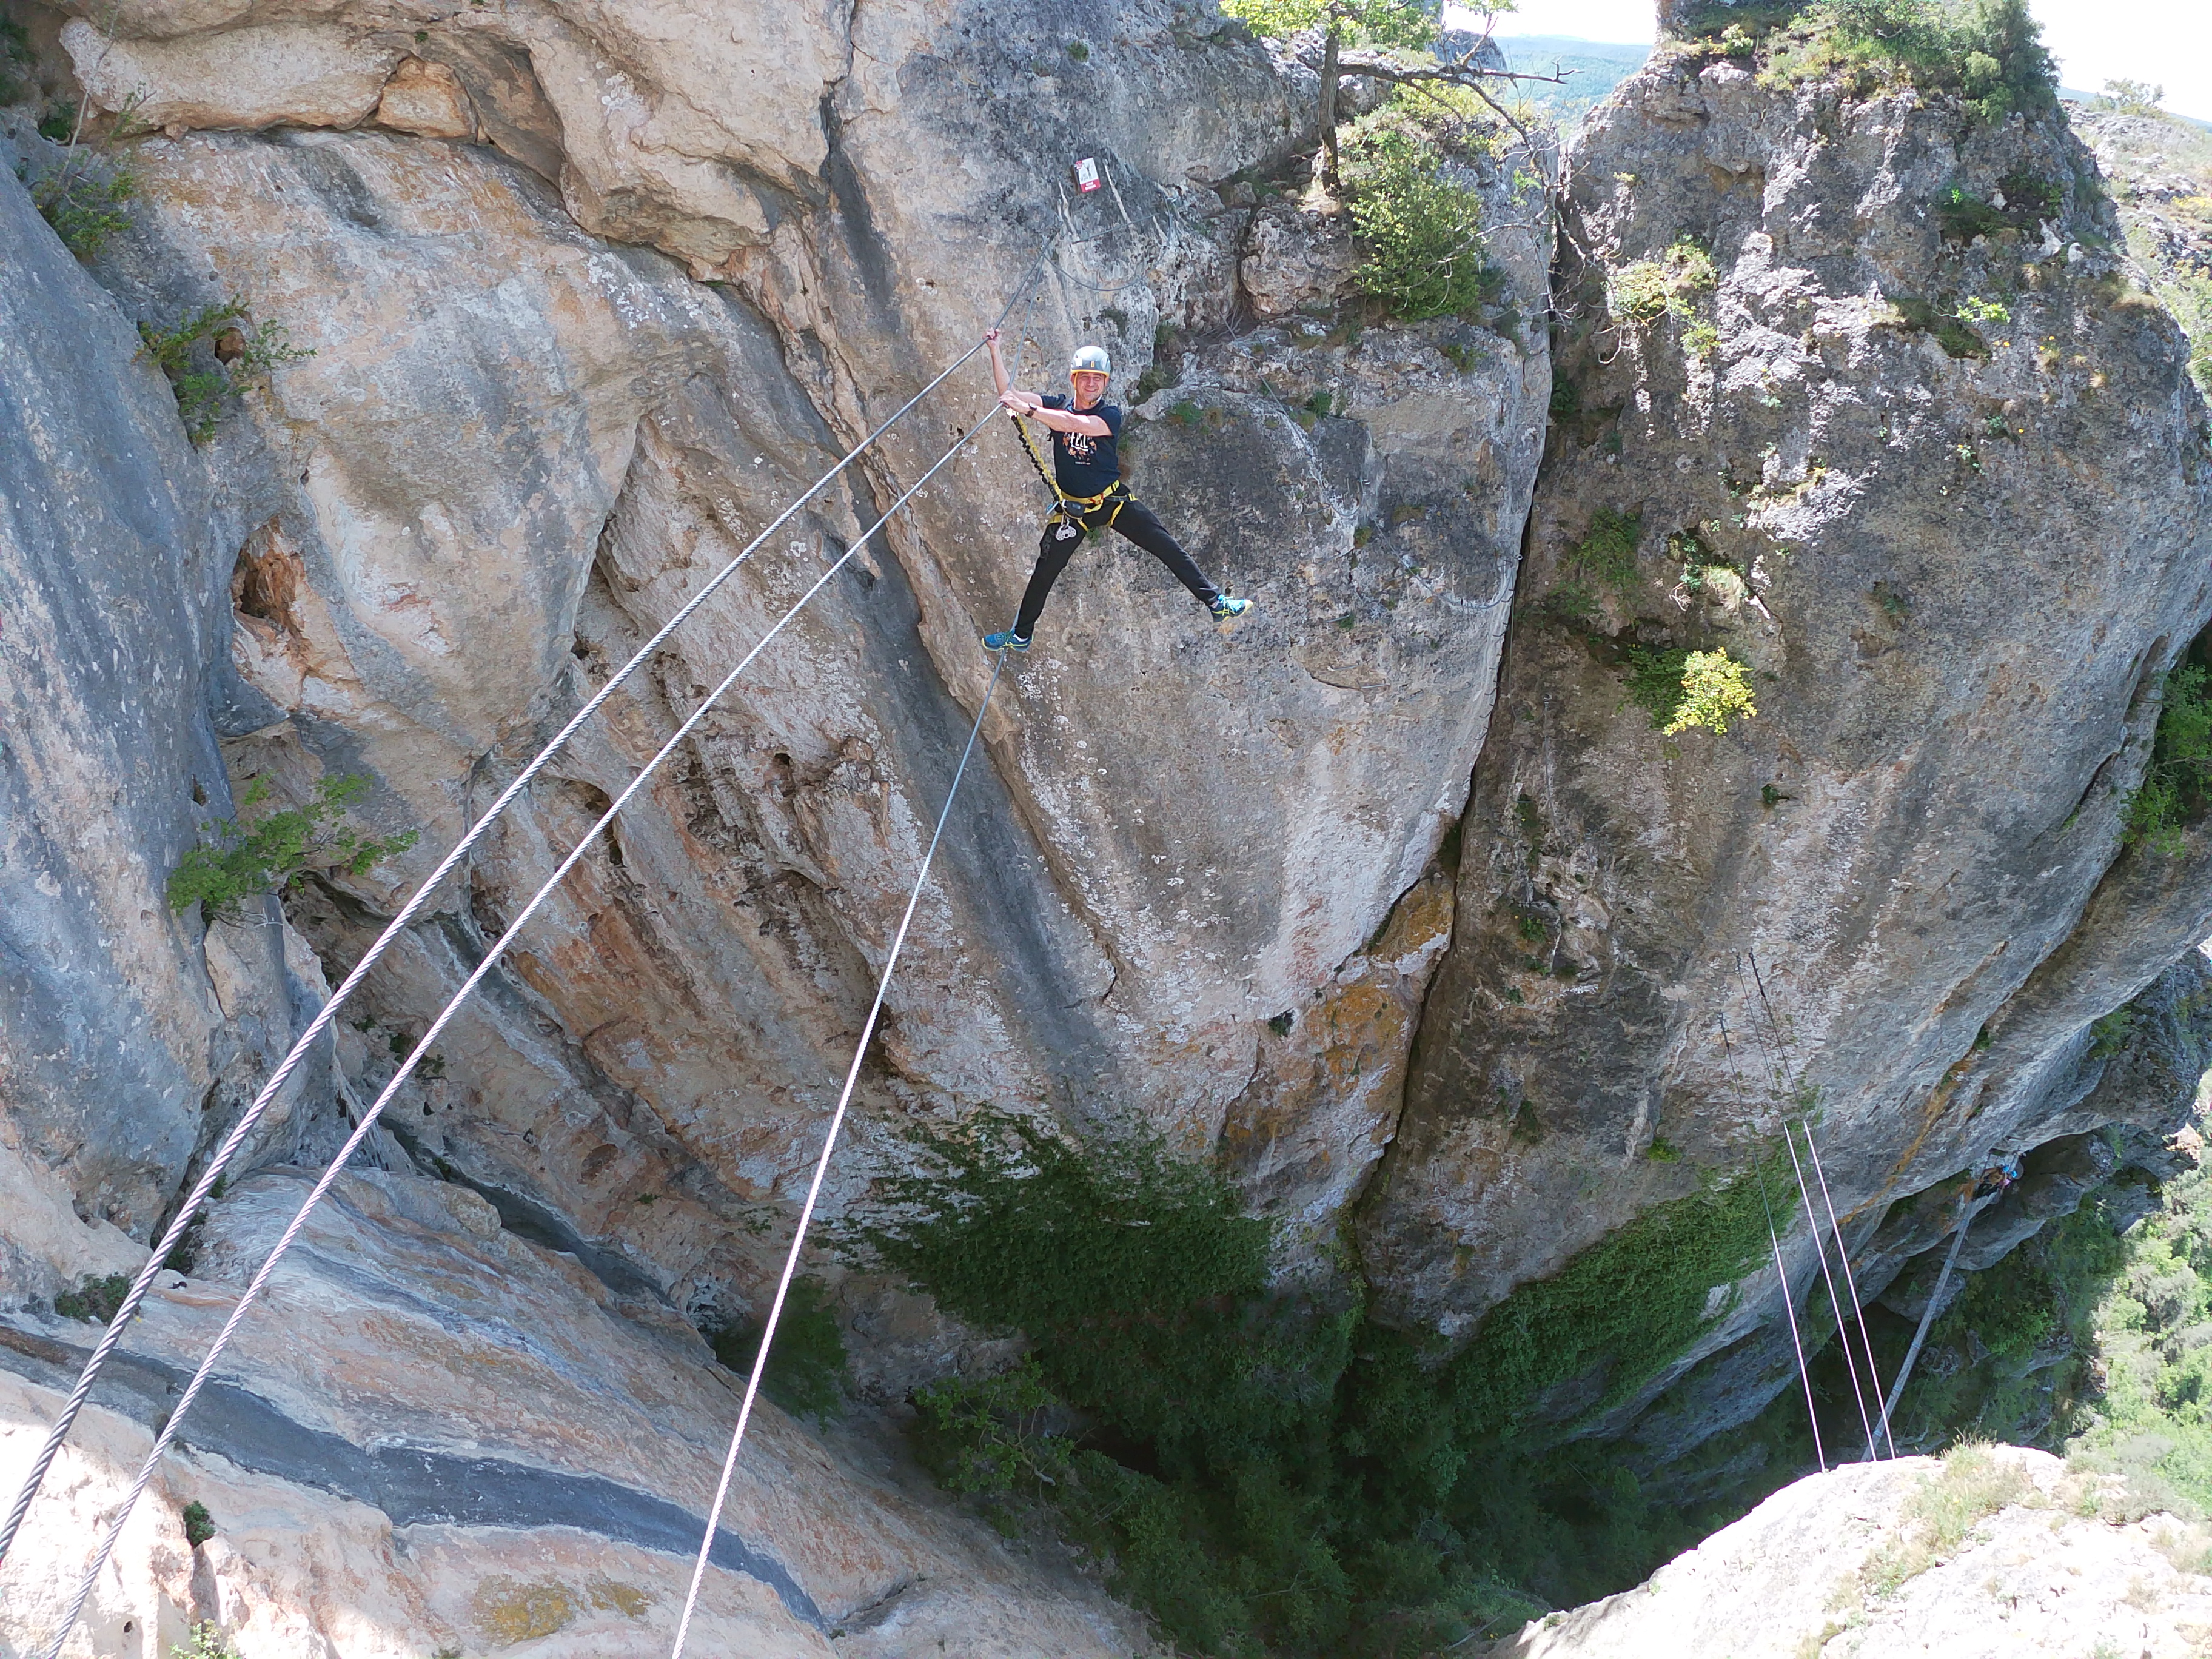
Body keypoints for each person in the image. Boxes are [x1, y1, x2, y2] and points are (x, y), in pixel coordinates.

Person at [980, 329, 1249, 652]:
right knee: (1045, 571)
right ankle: (1022, 635)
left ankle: (1215, 602)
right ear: (1074, 379)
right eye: (1086, 377)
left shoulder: (1108, 414)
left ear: (1105, 383)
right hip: (1074, 512)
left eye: (1098, 378)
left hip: (1112, 501)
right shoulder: (1058, 405)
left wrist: (1030, 412)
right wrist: (995, 350)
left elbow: (1076, 425)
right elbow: (1009, 392)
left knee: (1165, 546)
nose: (1092, 383)